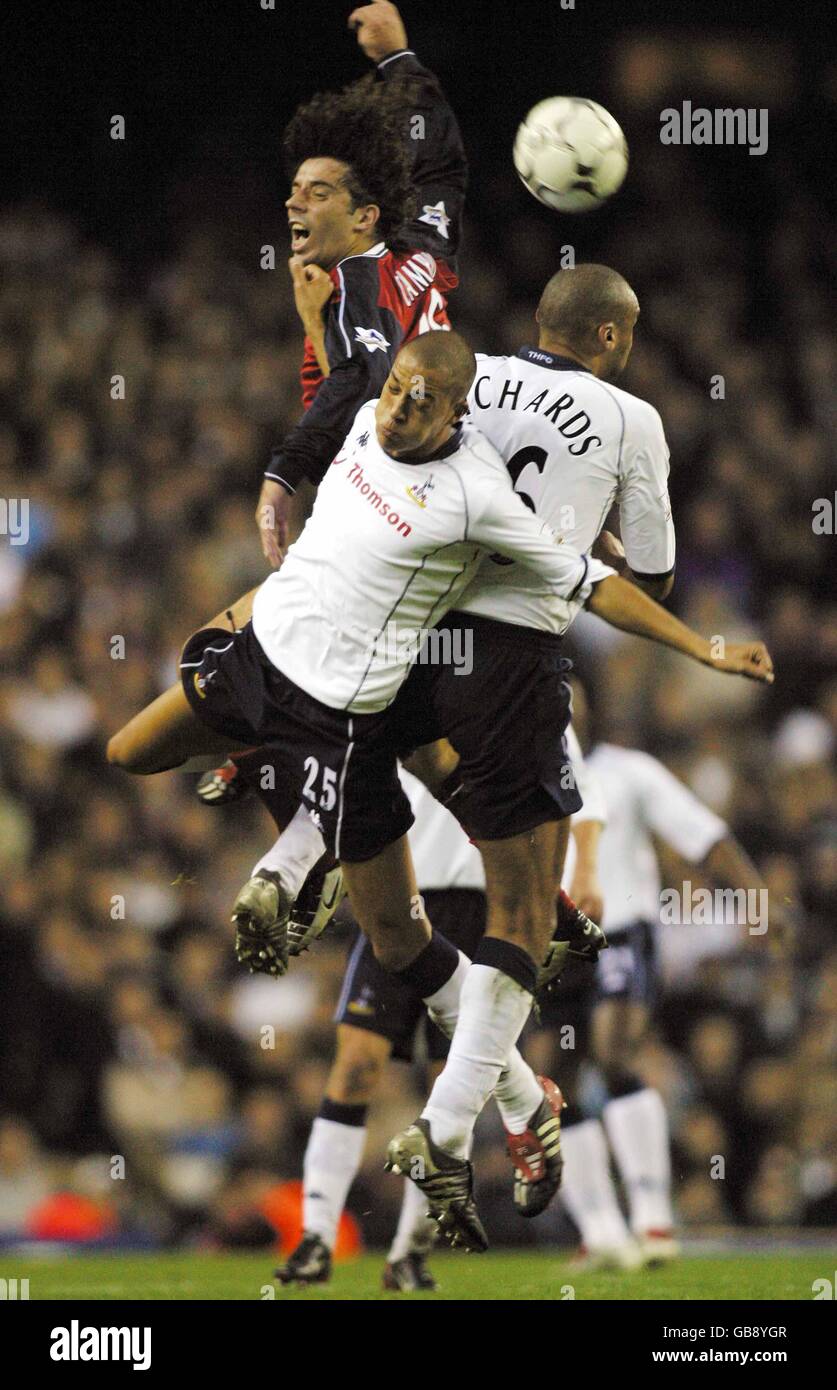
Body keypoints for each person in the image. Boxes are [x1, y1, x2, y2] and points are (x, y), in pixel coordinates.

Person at [108, 330, 775, 1253]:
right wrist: (286, 441)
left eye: (423, 398)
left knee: (406, 938)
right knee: (130, 751)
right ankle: (299, 840)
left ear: (457, 411)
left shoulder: (475, 496)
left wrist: (702, 646)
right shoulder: (362, 418)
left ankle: (500, 1094)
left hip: (342, 719)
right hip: (266, 658)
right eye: (398, 390)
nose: (401, 406)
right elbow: (341, 360)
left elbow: (595, 585)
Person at [277, 729, 605, 1290]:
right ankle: (316, 1238)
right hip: (401, 896)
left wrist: (585, 870)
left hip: (488, 906)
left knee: (446, 1088)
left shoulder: (516, 683)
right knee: (356, 1063)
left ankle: (410, 1252)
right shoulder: (402, 674)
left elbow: (577, 790)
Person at [536, 687, 789, 1269]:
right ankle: (600, 1230)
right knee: (552, 1076)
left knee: (614, 1051)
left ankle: (653, 1219)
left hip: (623, 929)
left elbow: (707, 836)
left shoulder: (629, 772)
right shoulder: (525, 777)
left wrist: (758, 904)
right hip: (552, 943)